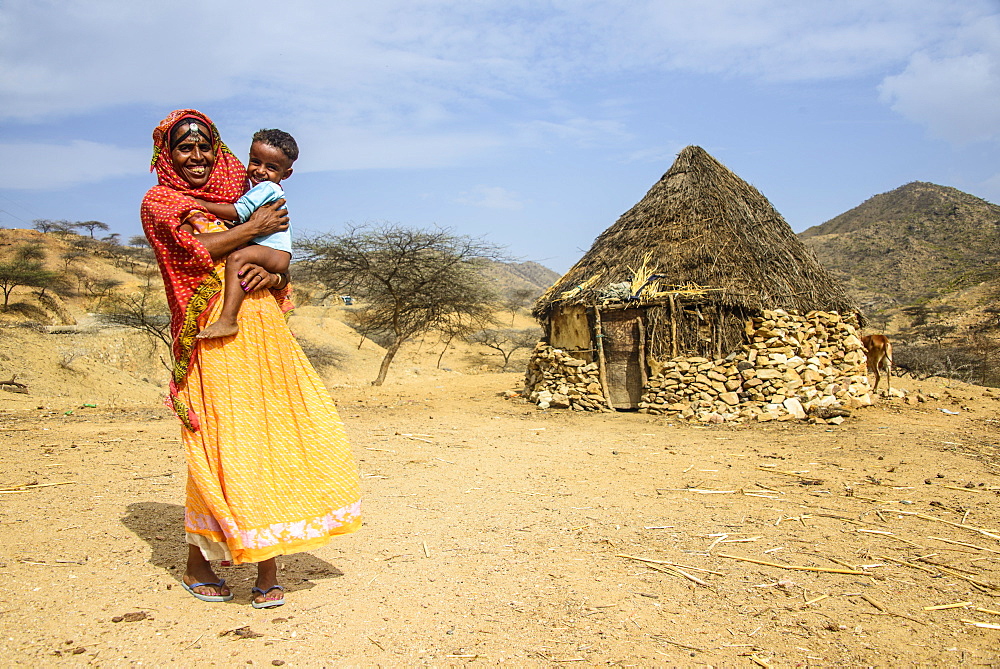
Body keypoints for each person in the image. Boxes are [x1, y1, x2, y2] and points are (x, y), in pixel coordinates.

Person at [141, 109, 361, 609]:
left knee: (272, 439)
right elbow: (196, 251)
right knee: (222, 442)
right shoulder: (161, 202)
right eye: (183, 148)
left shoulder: (239, 191)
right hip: (213, 338)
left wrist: (276, 277)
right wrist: (253, 226)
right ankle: (201, 561)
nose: (196, 157)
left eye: (204, 147)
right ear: (166, 154)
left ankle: (268, 566)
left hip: (262, 333)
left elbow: (277, 253)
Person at [193, 129, 297, 340]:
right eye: (255, 162)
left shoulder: (266, 189)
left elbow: (237, 212)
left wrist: (203, 204)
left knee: (237, 259)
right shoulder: (257, 190)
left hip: (275, 254)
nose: (260, 171)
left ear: (285, 174)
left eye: (271, 167)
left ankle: (227, 320)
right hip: (277, 255)